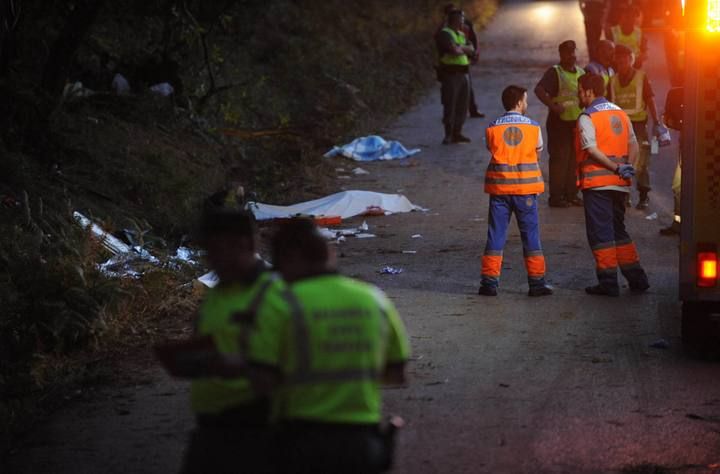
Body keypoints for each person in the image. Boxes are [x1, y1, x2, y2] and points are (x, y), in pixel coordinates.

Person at [248, 218, 411, 474]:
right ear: (330, 254)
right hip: (362, 444)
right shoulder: (373, 299)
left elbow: (261, 381)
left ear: (289, 258)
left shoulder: (279, 304)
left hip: (301, 443)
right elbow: (396, 373)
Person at [156, 209, 285, 474]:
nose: (210, 259)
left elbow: (304, 365)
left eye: (216, 250)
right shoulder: (217, 294)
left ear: (246, 244)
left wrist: (242, 368)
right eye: (207, 250)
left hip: (259, 432)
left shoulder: (279, 294)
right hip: (213, 430)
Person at [575, 72, 650, 296]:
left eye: (580, 90)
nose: (578, 94)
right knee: (618, 230)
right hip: (620, 184)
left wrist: (614, 167)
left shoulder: (587, 117)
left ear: (589, 92)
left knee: (601, 233)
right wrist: (630, 168)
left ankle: (608, 282)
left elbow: (591, 150)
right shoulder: (619, 112)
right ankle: (637, 278)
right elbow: (633, 144)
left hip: (597, 183)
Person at [478, 85, 553, 297]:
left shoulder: (492, 128)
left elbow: (492, 150)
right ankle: (536, 283)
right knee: (530, 236)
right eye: (526, 100)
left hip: (500, 190)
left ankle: (489, 283)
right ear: (519, 102)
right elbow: (537, 154)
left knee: (496, 235)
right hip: (525, 190)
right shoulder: (534, 127)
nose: (527, 104)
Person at [609, 44, 661, 209]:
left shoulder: (641, 77)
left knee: (640, 163)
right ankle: (624, 196)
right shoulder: (612, 81)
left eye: (624, 61)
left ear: (631, 60)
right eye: (619, 62)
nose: (622, 65)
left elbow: (650, 99)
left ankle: (643, 196)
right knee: (622, 161)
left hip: (638, 126)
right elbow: (608, 104)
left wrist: (657, 122)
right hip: (619, 127)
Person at [534, 40, 585, 207]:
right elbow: (539, 90)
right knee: (559, 160)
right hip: (559, 123)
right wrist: (553, 106)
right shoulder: (555, 72)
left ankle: (571, 194)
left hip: (575, 122)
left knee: (574, 160)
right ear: (561, 55)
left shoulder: (580, 72)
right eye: (567, 53)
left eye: (573, 52)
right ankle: (556, 197)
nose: (571, 56)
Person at [435, 4, 485, 118]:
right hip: (449, 65)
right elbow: (446, 46)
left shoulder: (465, 24)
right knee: (450, 91)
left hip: (463, 62)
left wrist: (474, 52)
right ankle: (451, 114)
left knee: (467, 88)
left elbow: (472, 39)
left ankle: (472, 109)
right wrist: (466, 50)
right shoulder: (444, 28)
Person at [436, 8, 475, 144]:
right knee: (450, 104)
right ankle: (448, 134)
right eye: (461, 19)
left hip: (463, 73)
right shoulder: (445, 34)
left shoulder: (460, 34)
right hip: (450, 74)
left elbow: (471, 49)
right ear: (455, 20)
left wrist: (461, 47)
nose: (463, 21)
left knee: (462, 105)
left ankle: (457, 133)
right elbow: (454, 51)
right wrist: (463, 48)